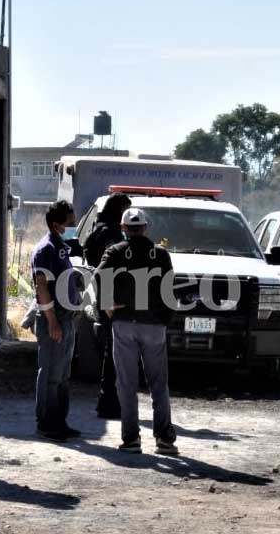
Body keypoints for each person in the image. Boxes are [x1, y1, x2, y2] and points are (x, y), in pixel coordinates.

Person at [95, 207, 178, 455]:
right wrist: (165, 319)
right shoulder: (161, 254)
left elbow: (99, 276)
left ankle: (131, 440)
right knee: (158, 385)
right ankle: (165, 439)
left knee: (126, 384)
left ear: (123, 228)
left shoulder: (116, 252)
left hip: (124, 324)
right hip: (154, 326)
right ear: (145, 228)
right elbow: (170, 290)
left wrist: (109, 304)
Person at [31, 200, 81, 442]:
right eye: (70, 223)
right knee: (50, 374)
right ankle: (47, 423)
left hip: (66, 317)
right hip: (55, 317)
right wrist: (52, 321)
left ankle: (60, 421)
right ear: (56, 224)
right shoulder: (45, 249)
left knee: (62, 375)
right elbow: (42, 287)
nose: (74, 226)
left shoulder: (61, 247)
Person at [83, 192, 132, 420]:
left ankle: (108, 403)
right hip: (111, 300)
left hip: (105, 298)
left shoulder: (99, 228)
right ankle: (109, 404)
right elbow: (108, 268)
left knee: (111, 354)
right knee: (114, 355)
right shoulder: (109, 233)